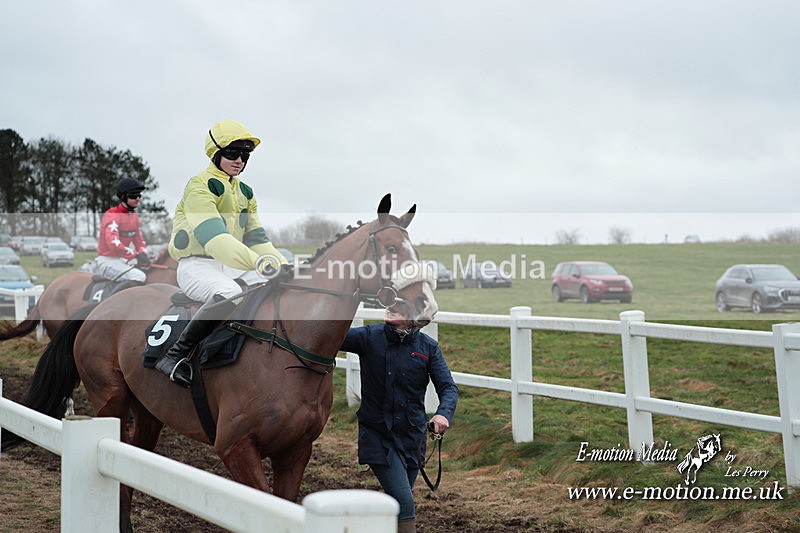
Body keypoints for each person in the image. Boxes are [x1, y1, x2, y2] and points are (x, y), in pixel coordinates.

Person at [154, 119, 287, 386]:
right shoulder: (199, 186)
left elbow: (256, 237)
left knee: (276, 287)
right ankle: (173, 355)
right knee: (230, 294)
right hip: (197, 266)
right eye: (232, 153)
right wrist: (258, 262)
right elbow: (215, 239)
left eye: (245, 155)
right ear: (215, 153)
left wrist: (281, 264)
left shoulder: (245, 192)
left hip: (231, 266)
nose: (239, 160)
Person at [340, 308, 458, 533]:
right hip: (378, 436)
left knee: (394, 506)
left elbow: (448, 387)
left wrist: (443, 413)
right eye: (390, 301)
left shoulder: (428, 348)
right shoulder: (367, 337)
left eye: (400, 303)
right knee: (404, 505)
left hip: (412, 440)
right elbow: (330, 336)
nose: (391, 306)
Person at [95, 177, 150, 284]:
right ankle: (112, 301)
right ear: (123, 196)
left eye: (139, 195)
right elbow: (114, 244)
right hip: (107, 261)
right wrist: (135, 254)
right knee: (139, 276)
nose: (138, 198)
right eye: (134, 195)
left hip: (122, 260)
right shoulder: (112, 215)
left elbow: (140, 242)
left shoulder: (134, 217)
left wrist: (143, 253)